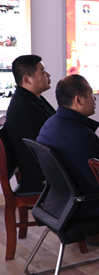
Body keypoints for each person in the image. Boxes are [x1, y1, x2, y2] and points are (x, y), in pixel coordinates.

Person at [36, 75, 99, 218]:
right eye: (91, 94)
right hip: (86, 206)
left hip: (61, 204)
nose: (94, 99)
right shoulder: (80, 135)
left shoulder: (50, 124)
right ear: (78, 100)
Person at [4, 55, 55, 191]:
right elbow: (44, 148)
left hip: (47, 170)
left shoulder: (32, 99)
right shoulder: (23, 108)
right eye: (43, 71)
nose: (48, 75)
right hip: (43, 178)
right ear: (27, 79)